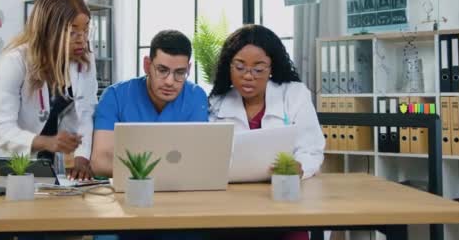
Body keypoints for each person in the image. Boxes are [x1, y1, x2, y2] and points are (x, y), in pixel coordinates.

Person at [0, 0, 97, 181]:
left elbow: (84, 111)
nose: (82, 40)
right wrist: (46, 142)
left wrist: (81, 157)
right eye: (72, 32)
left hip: (37, 153)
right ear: (49, 31)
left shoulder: (83, 60)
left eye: (86, 30)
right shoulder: (15, 61)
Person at [208, 25, 324, 240]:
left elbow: (312, 149)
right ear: (228, 66)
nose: (248, 76)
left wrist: (300, 168)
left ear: (272, 67)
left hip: (284, 201)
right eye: (240, 67)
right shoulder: (216, 103)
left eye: (258, 69)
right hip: (232, 206)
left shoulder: (294, 94)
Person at [90, 30, 208, 177]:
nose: (170, 81)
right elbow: (100, 162)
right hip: (125, 192)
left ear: (188, 69)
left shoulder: (196, 97)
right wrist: (154, 177)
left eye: (180, 72)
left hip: (179, 191)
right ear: (147, 65)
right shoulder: (114, 97)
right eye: (162, 70)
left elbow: (198, 160)